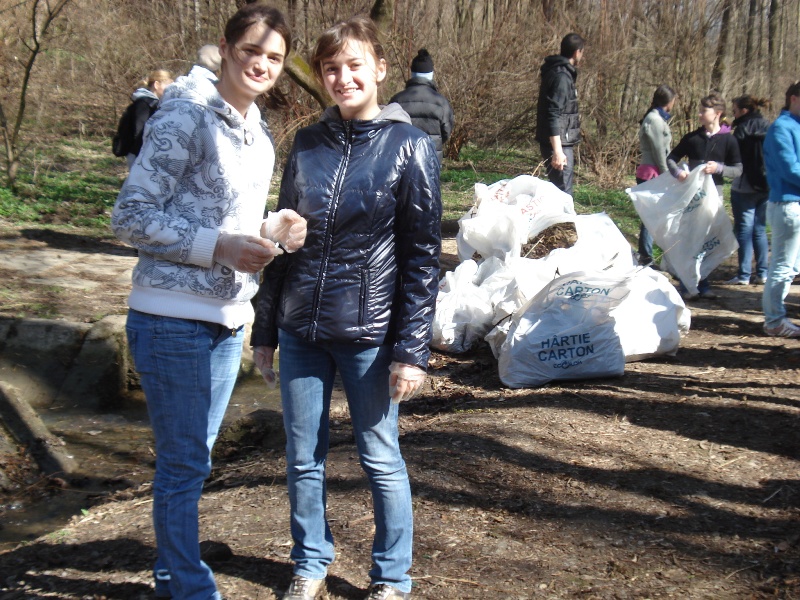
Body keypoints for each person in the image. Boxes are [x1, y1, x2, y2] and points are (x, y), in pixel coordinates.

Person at [111, 6, 306, 599]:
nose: (262, 65)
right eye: (252, 51)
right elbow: (130, 216)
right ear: (225, 48)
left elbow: (226, 218)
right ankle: (191, 588)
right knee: (184, 463)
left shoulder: (257, 131)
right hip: (171, 317)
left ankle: (171, 569)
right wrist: (219, 246)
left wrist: (274, 229)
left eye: (274, 58)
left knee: (193, 458)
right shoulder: (185, 116)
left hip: (227, 320)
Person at [251, 16, 441, 600]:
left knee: (379, 457)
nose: (343, 78)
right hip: (300, 326)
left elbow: (422, 257)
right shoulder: (307, 144)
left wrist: (411, 351)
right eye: (331, 68)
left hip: (369, 333)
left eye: (354, 65)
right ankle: (309, 563)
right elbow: (282, 240)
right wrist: (265, 330)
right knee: (301, 457)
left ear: (379, 69)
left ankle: (391, 577)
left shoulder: (411, 146)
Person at [667, 92, 742, 300]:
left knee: (708, 241)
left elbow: (738, 169)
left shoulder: (729, 140)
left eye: (703, 111)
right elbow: (671, 158)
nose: (699, 114)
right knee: (690, 240)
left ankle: (704, 283)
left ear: (717, 113)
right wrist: (678, 173)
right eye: (699, 111)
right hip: (692, 198)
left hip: (714, 198)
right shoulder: (692, 138)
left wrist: (719, 168)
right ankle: (686, 284)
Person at [761, 81, 800, 338]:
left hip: (794, 205)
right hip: (787, 205)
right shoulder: (781, 128)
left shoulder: (795, 126)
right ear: (794, 98)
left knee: (792, 267)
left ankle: (777, 317)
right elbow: (790, 169)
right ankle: (774, 320)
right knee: (782, 267)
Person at [727, 95, 771, 286]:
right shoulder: (769, 126)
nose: (733, 114)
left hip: (744, 184)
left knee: (744, 230)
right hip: (766, 184)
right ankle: (762, 273)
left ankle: (744, 275)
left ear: (744, 111)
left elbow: (732, 156)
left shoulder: (742, 129)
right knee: (759, 229)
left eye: (735, 110)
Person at [535, 32, 585, 197]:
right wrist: (557, 151)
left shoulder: (557, 71)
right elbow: (553, 112)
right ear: (577, 52)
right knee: (563, 196)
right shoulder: (561, 77)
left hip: (559, 142)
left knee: (560, 195)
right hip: (559, 144)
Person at [388, 48, 454, 164]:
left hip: (402, 160)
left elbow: (389, 132)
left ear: (412, 74)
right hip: (431, 159)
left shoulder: (397, 100)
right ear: (431, 74)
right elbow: (446, 132)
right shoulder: (441, 102)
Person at [635, 84, 677, 267]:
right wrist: (666, 174)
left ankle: (647, 254)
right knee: (650, 217)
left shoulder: (658, 118)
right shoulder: (654, 120)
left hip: (654, 171)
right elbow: (659, 150)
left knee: (653, 215)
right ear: (669, 102)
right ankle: (646, 256)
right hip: (652, 173)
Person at [124, 69, 174, 168]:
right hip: (138, 154)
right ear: (157, 85)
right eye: (168, 86)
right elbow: (139, 132)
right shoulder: (144, 104)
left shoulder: (154, 103)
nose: (170, 90)